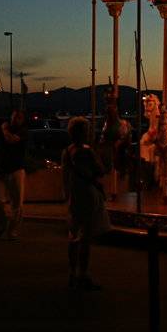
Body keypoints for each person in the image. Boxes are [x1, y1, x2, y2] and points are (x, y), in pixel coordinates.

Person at [61, 117, 106, 290]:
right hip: (86, 194)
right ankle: (83, 273)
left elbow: (65, 176)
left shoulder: (67, 151)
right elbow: (100, 170)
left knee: (73, 236)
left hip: (73, 194)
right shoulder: (86, 151)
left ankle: (73, 272)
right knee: (86, 236)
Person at [0, 112, 27, 239]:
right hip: (0, 170)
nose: (16, 119)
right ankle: (1, 225)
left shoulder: (23, 132)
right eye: (15, 116)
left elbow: (11, 140)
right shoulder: (0, 132)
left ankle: (12, 230)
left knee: (17, 203)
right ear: (11, 117)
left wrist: (4, 129)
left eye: (19, 117)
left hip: (16, 169)